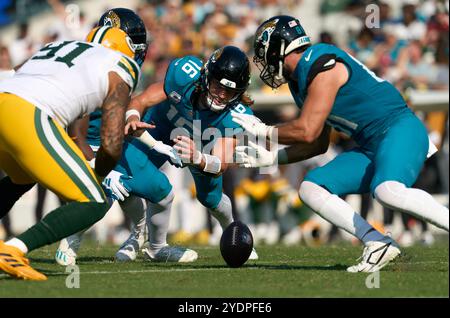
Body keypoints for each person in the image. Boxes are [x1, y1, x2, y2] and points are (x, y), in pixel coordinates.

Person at [233, 15, 448, 273]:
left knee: (387, 190)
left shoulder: (321, 62)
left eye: (266, 54)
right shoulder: (300, 79)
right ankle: (377, 243)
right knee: (311, 187)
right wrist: (274, 159)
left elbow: (306, 129)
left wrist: (263, 131)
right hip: (371, 146)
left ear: (280, 47)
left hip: (400, 128)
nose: (265, 63)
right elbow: (317, 143)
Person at [55, 8, 198, 265]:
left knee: (162, 191)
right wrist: (103, 171)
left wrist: (156, 145)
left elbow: (119, 120)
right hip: (78, 149)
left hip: (112, 145)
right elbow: (73, 136)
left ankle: (154, 245)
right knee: (102, 195)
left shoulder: (121, 70)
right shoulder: (85, 73)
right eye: (135, 43)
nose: (139, 51)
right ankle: (71, 237)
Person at [0, 26, 142, 281]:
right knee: (93, 200)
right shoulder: (120, 65)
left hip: (5, 98)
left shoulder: (61, 46)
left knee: (21, 177)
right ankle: (13, 249)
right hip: (28, 112)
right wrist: (98, 175)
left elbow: (15, 73)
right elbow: (111, 143)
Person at [112, 45, 259, 261]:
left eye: (230, 91)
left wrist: (197, 157)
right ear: (207, 76)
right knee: (128, 174)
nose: (221, 95)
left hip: (202, 146)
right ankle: (139, 237)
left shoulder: (236, 115)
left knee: (211, 199)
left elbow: (221, 164)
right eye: (218, 86)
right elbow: (140, 101)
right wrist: (133, 117)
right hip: (160, 129)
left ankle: (234, 231)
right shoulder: (184, 75)